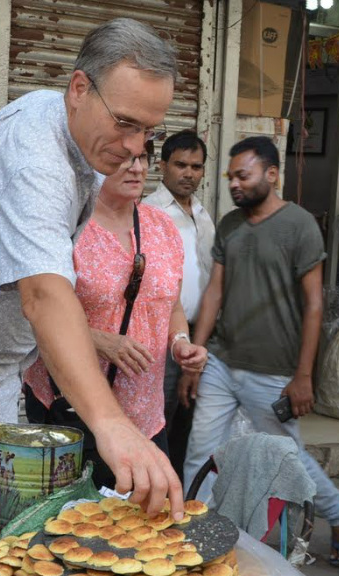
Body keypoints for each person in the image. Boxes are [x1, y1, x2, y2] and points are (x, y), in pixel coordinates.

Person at [0, 18, 184, 525]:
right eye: (126, 123)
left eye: (149, 131)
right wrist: (112, 424)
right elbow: (44, 296)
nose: (137, 147)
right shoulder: (35, 161)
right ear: (78, 89)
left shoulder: (77, 129)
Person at [180, 136, 339, 563]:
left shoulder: (299, 226)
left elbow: (315, 304)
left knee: (287, 460)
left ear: (272, 174)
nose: (234, 185)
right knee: (200, 454)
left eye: (243, 175)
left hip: (273, 370)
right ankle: (196, 542)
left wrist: (303, 375)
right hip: (222, 362)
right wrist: (196, 357)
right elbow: (214, 293)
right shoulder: (229, 224)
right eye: (231, 177)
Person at [23, 151, 209, 487]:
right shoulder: (69, 229)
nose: (136, 168)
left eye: (143, 159)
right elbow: (35, 309)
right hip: (74, 410)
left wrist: (180, 342)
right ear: (96, 164)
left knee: (141, 527)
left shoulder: (162, 227)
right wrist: (98, 340)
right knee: (71, 528)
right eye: (124, 159)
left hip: (146, 415)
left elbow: (172, 304)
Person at [143, 129, 215, 475]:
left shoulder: (202, 213)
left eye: (197, 167)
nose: (189, 173)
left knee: (189, 422)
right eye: (181, 165)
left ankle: (181, 498)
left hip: (198, 336)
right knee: (161, 422)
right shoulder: (148, 212)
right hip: (164, 339)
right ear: (162, 166)